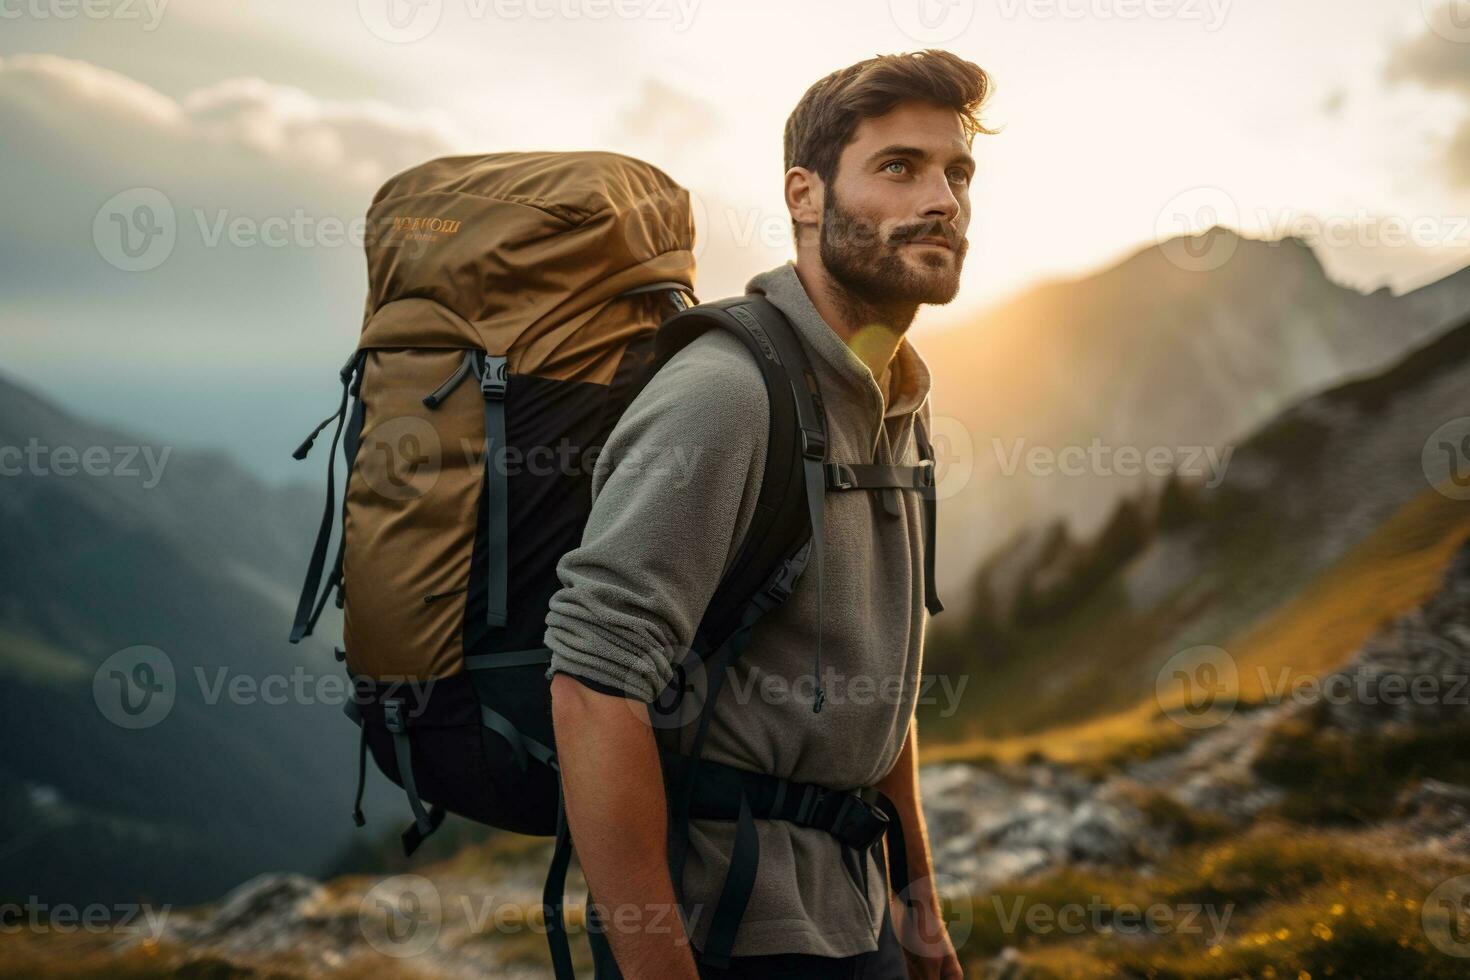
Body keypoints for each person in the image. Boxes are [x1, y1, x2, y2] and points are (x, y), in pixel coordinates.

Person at [544, 48, 994, 980]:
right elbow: (591, 687)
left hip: (855, 910)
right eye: (899, 167)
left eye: (957, 173)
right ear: (805, 195)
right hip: (736, 926)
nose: (945, 200)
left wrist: (920, 913)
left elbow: (884, 686)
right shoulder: (726, 394)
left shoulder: (893, 401)